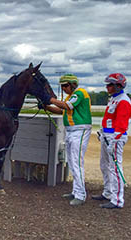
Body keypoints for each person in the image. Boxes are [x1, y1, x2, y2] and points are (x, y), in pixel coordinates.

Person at [44, 74, 92, 206]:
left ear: (73, 84)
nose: (63, 88)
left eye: (65, 85)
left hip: (80, 131)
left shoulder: (79, 93)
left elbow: (67, 106)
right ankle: (76, 191)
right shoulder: (70, 97)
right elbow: (61, 111)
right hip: (71, 131)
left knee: (77, 163)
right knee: (72, 163)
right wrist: (46, 107)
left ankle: (81, 195)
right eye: (62, 86)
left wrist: (50, 99)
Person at [92, 73, 131, 209]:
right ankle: (108, 192)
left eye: (110, 84)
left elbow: (121, 125)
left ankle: (117, 200)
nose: (107, 87)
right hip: (107, 136)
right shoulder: (113, 99)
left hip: (115, 138)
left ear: (118, 86)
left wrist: (114, 141)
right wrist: (102, 132)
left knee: (115, 168)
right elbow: (109, 119)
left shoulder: (124, 101)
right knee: (104, 165)